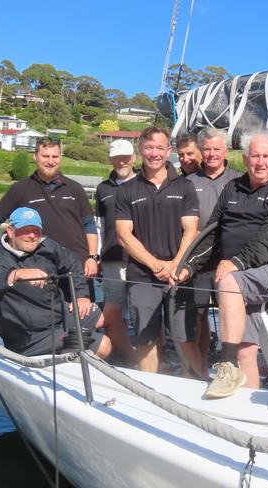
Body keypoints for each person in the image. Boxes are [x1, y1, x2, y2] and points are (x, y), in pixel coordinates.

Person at [173, 129, 268, 399]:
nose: (261, 162)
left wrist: (238, 262)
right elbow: (212, 234)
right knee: (246, 349)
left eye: (267, 156)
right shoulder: (232, 188)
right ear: (245, 158)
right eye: (255, 156)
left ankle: (226, 363)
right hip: (239, 277)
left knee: (227, 281)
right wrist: (189, 266)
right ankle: (247, 407)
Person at [0, 137, 100, 280]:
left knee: (81, 307)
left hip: (77, 266)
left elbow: (89, 225)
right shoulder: (20, 188)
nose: (50, 161)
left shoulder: (75, 188)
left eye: (55, 156)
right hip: (37, 269)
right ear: (35, 156)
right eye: (45, 156)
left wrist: (92, 257)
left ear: (60, 157)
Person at [0, 207, 111, 358]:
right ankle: (90, 373)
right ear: (11, 231)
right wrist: (15, 275)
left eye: (36, 231)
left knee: (113, 311)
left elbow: (73, 266)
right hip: (34, 339)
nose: (32, 236)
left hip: (60, 317)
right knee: (103, 344)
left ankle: (129, 367)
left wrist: (81, 295)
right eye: (25, 230)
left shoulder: (48, 246)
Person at [115, 126, 200, 373]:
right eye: (149, 147)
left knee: (186, 339)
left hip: (179, 275)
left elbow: (191, 230)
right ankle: (150, 392)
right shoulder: (126, 190)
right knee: (146, 339)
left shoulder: (185, 187)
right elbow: (123, 235)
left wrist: (175, 264)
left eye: (160, 148)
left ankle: (192, 388)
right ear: (140, 150)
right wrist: (155, 265)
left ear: (168, 150)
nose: (154, 153)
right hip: (142, 277)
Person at [184, 127, 241, 377]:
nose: (211, 154)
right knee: (198, 318)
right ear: (200, 152)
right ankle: (201, 369)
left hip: (230, 262)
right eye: (206, 149)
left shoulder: (239, 180)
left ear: (225, 150)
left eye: (216, 149)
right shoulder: (188, 182)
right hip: (198, 262)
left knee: (233, 317)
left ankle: (233, 368)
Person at [95, 139, 138, 365]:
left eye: (126, 157)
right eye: (117, 157)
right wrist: (97, 256)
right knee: (114, 310)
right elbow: (99, 226)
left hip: (141, 261)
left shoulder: (145, 183)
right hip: (112, 258)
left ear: (134, 158)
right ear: (110, 159)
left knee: (142, 308)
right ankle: (119, 357)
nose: (122, 161)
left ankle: (144, 355)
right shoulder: (103, 189)